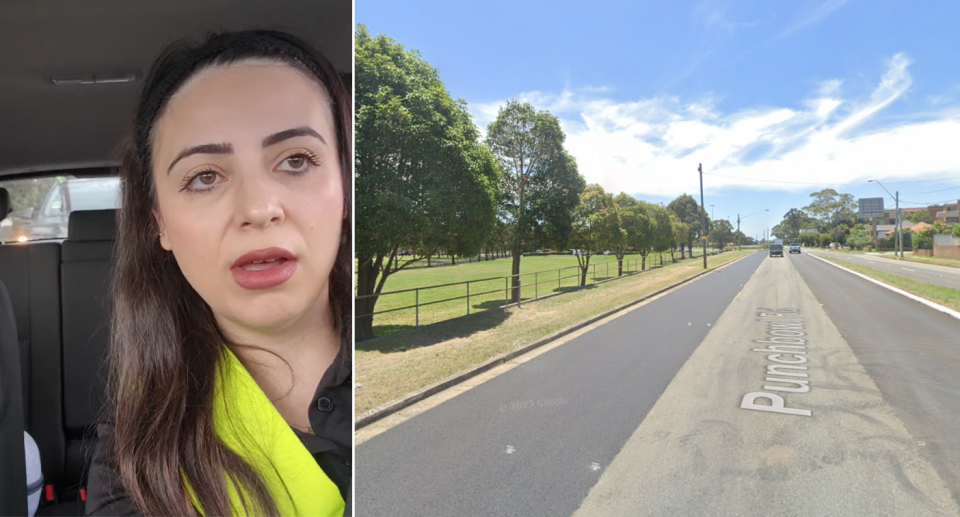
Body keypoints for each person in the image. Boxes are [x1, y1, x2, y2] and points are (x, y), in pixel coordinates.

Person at [84, 30, 352, 517]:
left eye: (296, 160)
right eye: (204, 176)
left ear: (345, 190)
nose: (258, 208)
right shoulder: (138, 458)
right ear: (158, 222)